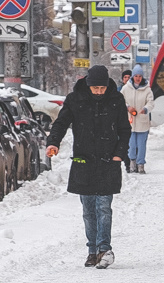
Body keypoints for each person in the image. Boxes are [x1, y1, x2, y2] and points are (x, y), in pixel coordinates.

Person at [45, 64, 130, 268]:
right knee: (88, 210)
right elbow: (61, 123)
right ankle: (92, 251)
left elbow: (124, 130)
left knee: (104, 208)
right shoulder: (75, 100)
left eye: (102, 89)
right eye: (95, 89)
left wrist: (119, 154)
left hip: (109, 161)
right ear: (89, 85)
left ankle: (104, 249)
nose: (99, 92)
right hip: (84, 161)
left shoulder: (116, 99)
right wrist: (53, 142)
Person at [122, 73, 155, 174]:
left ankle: (140, 164)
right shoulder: (126, 88)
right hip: (130, 122)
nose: (138, 78)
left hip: (142, 122)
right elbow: (120, 100)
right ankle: (132, 163)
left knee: (141, 145)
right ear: (133, 77)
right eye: (136, 76)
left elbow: (151, 103)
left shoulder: (147, 89)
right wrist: (128, 107)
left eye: (140, 76)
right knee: (131, 145)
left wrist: (145, 109)